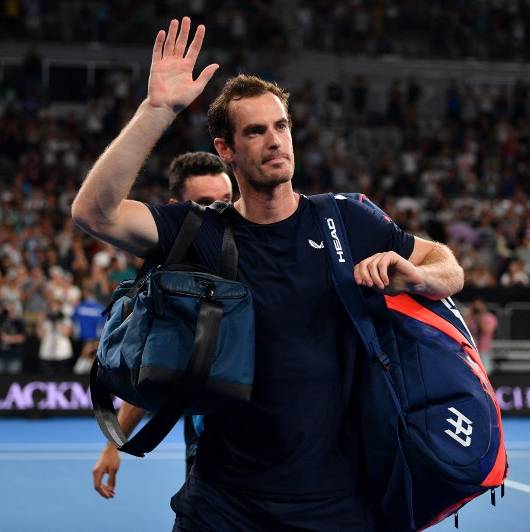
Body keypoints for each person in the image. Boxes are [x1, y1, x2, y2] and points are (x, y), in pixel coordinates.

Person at [72, 18, 464, 531]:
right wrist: (157, 110)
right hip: (223, 504)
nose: (274, 141)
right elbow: (94, 213)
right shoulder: (200, 231)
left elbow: (448, 265)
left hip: (337, 503)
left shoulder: (346, 219)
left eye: (281, 126)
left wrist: (419, 276)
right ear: (226, 149)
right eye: (255, 131)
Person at [91, 151, 233, 499]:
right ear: (175, 210)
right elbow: (154, 364)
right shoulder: (173, 286)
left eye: (227, 201)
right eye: (205, 204)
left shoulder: (262, 253)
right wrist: (114, 445)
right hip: (212, 453)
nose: (220, 213)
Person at [466, 298, 498, 374]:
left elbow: (487, 330)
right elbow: (465, 329)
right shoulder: (472, 318)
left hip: (485, 349)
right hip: (472, 350)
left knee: (486, 372)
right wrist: (469, 315)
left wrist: (480, 317)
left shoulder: (489, 317)